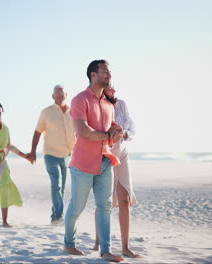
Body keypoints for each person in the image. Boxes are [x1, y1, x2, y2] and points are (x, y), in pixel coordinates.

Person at [64, 59, 124, 262]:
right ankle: (69, 244)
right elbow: (83, 132)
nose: (109, 75)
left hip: (106, 160)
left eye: (110, 72)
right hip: (82, 164)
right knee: (77, 207)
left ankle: (105, 250)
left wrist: (117, 132)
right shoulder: (79, 100)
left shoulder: (108, 103)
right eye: (105, 72)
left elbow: (112, 126)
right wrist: (108, 135)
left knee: (105, 205)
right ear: (93, 75)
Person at [93, 85, 139, 258]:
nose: (112, 88)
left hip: (122, 152)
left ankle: (125, 247)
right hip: (105, 153)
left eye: (112, 84)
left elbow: (132, 129)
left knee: (125, 199)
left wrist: (124, 133)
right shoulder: (98, 105)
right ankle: (98, 242)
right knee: (103, 201)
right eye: (107, 86)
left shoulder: (121, 105)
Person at [28, 84, 76, 225]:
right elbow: (37, 132)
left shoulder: (72, 112)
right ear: (53, 96)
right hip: (50, 153)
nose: (60, 96)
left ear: (66, 95)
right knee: (56, 184)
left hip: (67, 154)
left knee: (60, 187)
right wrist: (32, 151)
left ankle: (54, 216)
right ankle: (58, 217)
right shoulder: (46, 112)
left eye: (62, 94)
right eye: (57, 94)